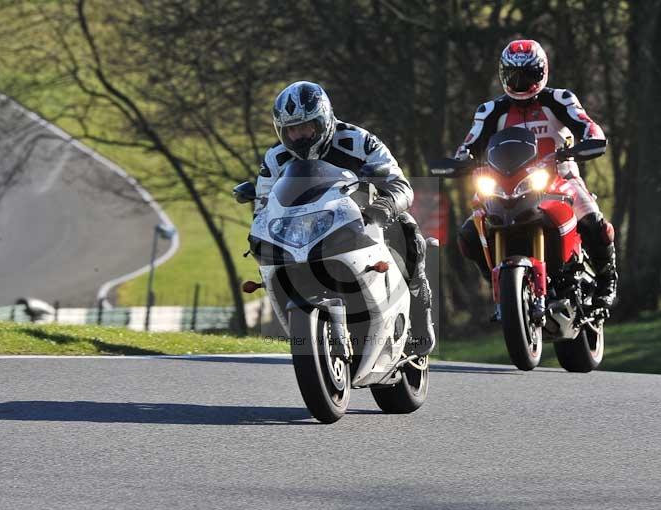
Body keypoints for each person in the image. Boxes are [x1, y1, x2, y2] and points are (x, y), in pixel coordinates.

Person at [254, 80, 435, 356]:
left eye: (306, 127)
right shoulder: (275, 160)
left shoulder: (358, 141)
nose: (299, 136)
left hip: (361, 221)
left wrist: (383, 207)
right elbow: (262, 206)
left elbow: (400, 185)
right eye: (291, 130)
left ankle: (420, 312)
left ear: (324, 120)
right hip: (304, 234)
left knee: (408, 228)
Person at [455, 39, 618, 308]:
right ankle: (500, 283)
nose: (520, 82)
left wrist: (591, 141)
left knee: (593, 222)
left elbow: (587, 126)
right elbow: (469, 143)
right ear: (503, 75)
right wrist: (462, 161)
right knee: (469, 234)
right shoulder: (489, 110)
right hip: (504, 183)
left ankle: (606, 279)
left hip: (558, 178)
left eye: (528, 74)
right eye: (513, 75)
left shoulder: (560, 99)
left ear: (542, 72)